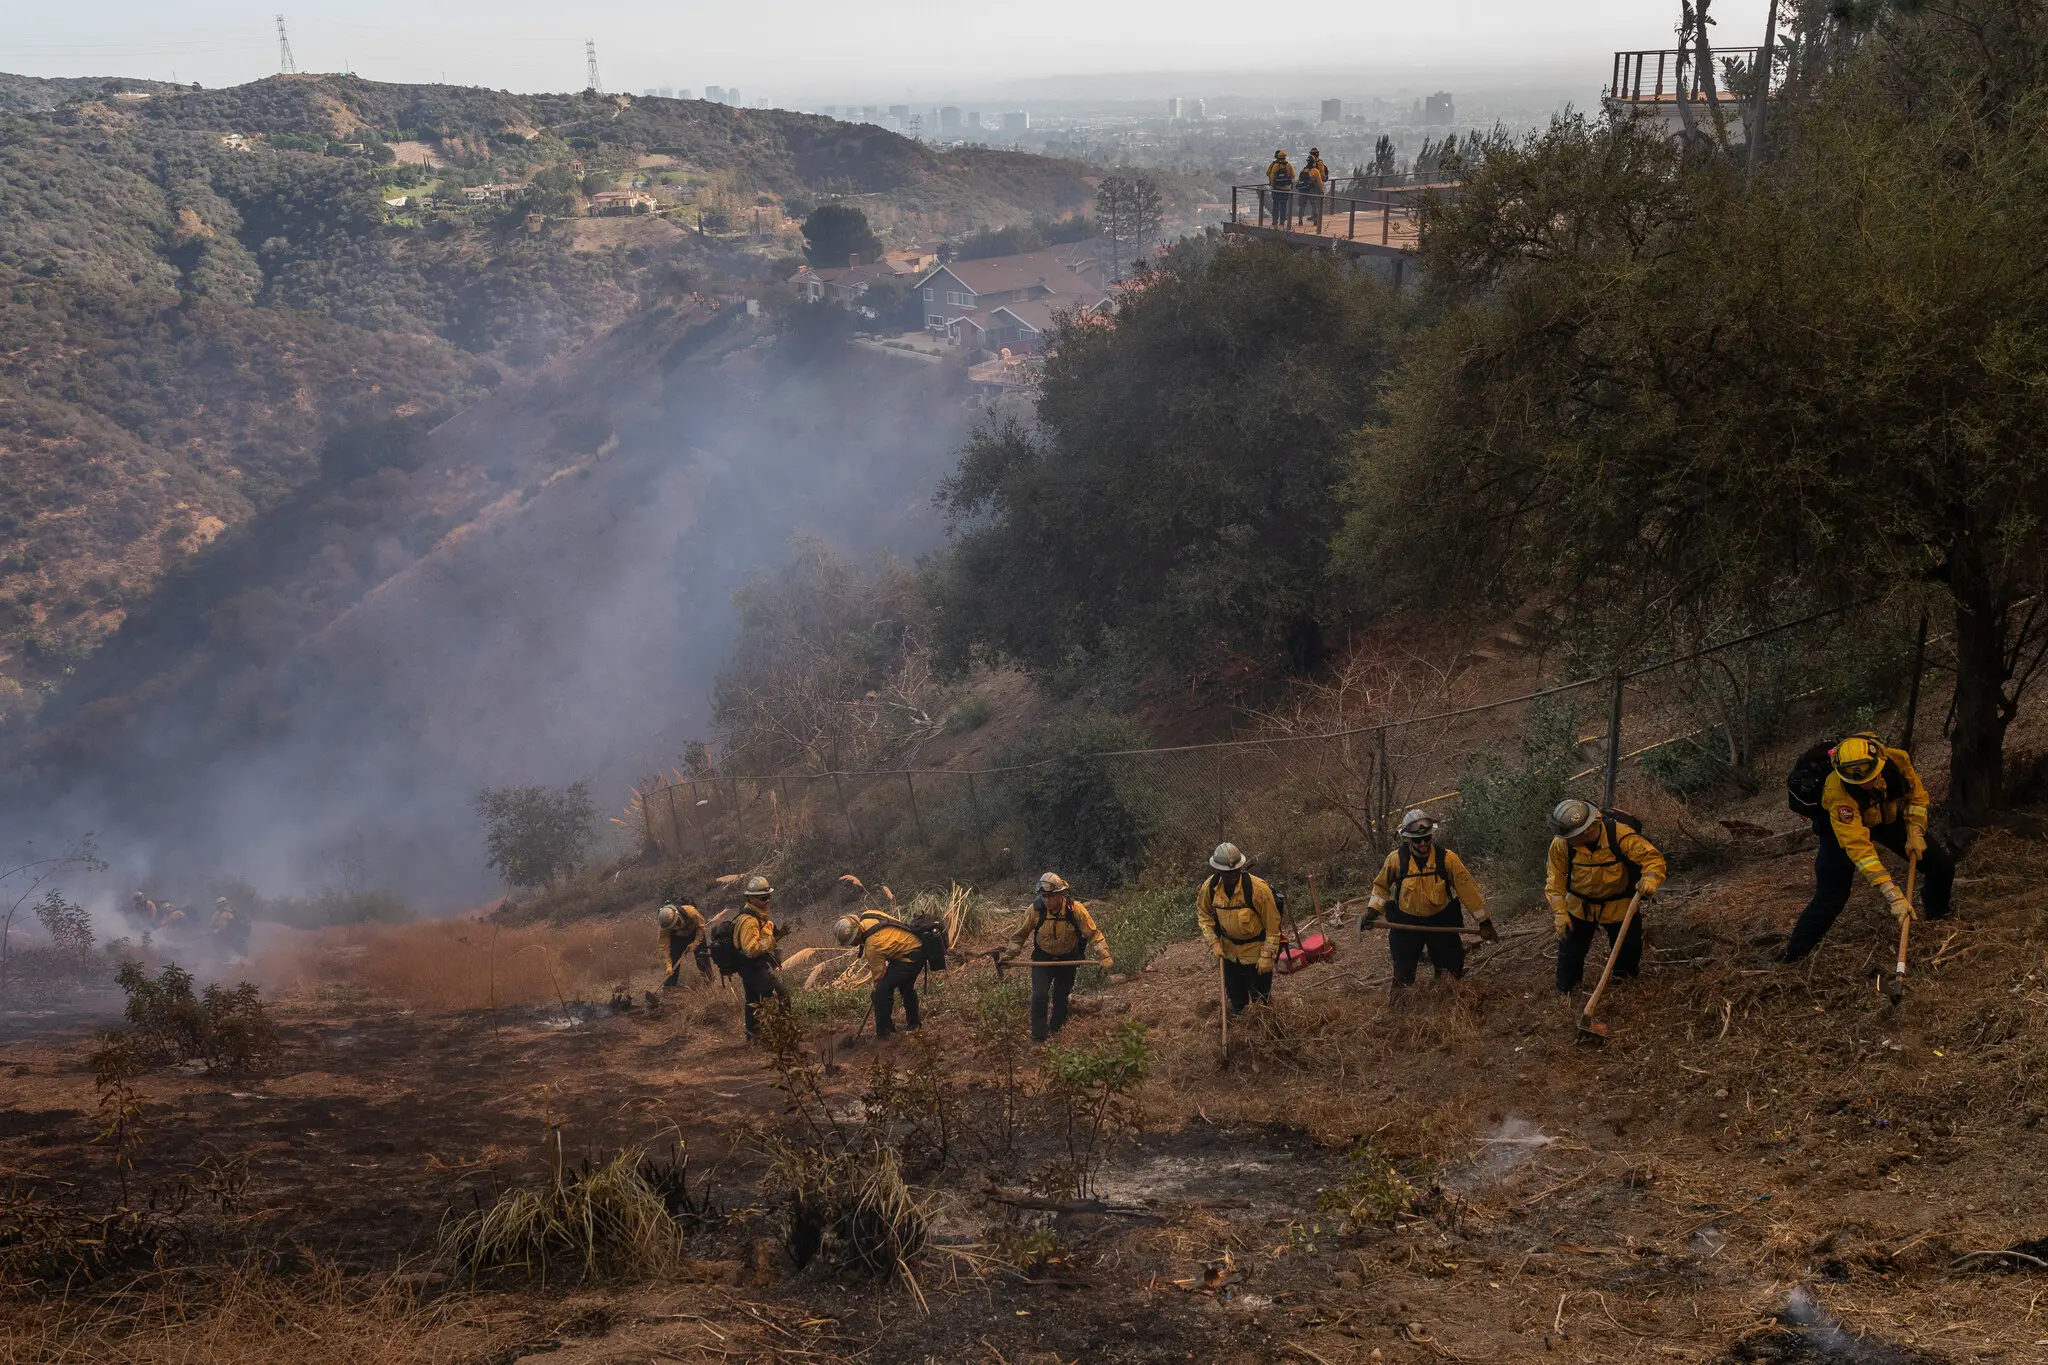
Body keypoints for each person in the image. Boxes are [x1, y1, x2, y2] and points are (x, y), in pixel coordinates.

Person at [1784, 732, 1952, 962]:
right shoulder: (1837, 792)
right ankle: (1792, 957)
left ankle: (1938, 918)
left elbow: (1917, 797)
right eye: (1857, 781)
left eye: (1869, 777)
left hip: (1883, 816)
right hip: (1840, 827)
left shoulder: (1896, 760)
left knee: (1940, 865)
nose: (1865, 784)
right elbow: (1859, 849)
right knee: (1832, 895)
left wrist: (1915, 831)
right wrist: (1892, 894)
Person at [1356, 810, 1496, 994]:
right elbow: (1381, 887)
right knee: (1403, 971)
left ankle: (1445, 998)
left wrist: (1484, 921)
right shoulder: (1396, 860)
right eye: (1417, 840)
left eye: (1427, 838)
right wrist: (1372, 911)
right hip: (1406, 923)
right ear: (1407, 840)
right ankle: (1400, 1005)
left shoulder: (1447, 859)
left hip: (1442, 921)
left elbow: (1469, 891)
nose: (1423, 844)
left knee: (1451, 970)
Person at [1548, 799, 1667, 995]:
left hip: (1619, 906)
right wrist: (1560, 912)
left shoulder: (1620, 836)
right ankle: (1567, 990)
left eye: (1570, 835)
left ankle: (1624, 986)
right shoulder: (1562, 843)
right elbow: (1555, 879)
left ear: (1586, 830)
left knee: (1628, 949)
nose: (1565, 839)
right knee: (1570, 952)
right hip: (1579, 906)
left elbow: (1653, 859)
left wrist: (1650, 880)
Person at [1006, 872, 1112, 1043]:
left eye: (1051, 896)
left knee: (1061, 996)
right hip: (1043, 957)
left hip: (1068, 958)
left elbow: (1093, 934)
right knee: (1039, 995)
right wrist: (1008, 956)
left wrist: (1104, 954)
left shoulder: (1075, 910)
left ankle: (1056, 1030)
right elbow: (1019, 936)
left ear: (1061, 895)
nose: (1047, 900)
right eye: (1044, 896)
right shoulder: (1035, 911)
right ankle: (1039, 1037)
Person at [1197, 842, 1282, 1013]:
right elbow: (1203, 914)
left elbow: (1273, 925)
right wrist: (1213, 941)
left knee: (1261, 1002)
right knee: (1237, 1001)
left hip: (1256, 955)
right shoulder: (1210, 888)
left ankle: (1264, 1035)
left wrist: (1267, 955)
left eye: (1236, 871)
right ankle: (1240, 1033)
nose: (1233, 876)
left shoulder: (1258, 889)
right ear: (1218, 871)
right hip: (1229, 955)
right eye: (1228, 873)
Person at [836, 906, 924, 1037]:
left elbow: (879, 978)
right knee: (906, 988)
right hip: (913, 947)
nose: (853, 944)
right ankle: (914, 1025)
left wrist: (877, 993)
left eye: (853, 940)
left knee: (882, 991)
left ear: (858, 932)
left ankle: (883, 1033)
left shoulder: (873, 946)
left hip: (910, 956)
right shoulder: (868, 915)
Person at [734, 876, 787, 1038]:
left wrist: (775, 938)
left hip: (750, 966)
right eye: (763, 898)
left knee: (753, 1001)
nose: (767, 901)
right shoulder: (749, 920)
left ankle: (753, 1035)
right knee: (782, 995)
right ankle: (784, 1033)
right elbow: (751, 949)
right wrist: (772, 940)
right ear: (751, 898)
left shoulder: (758, 915)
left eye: (768, 897)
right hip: (752, 966)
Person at [658, 899, 707, 989]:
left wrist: (696, 942)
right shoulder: (664, 928)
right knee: (674, 959)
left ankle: (708, 981)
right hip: (678, 938)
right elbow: (664, 947)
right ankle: (670, 986)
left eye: (675, 924)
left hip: (695, 933)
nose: (674, 927)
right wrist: (668, 964)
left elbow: (701, 927)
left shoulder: (690, 911)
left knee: (702, 956)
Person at [1299, 147, 1329, 230]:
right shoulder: (1317, 165)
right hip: (1315, 185)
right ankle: (1315, 218)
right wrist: (1321, 188)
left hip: (1307, 187)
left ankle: (1303, 219)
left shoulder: (1306, 168)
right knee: (1314, 203)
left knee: (1304, 204)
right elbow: (1321, 175)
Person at [1266, 149, 1295, 228]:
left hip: (1277, 189)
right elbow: (1293, 175)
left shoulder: (1275, 165)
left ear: (1278, 157)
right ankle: (1282, 222)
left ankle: (1275, 221)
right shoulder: (1289, 165)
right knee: (1283, 206)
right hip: (1286, 189)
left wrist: (1272, 185)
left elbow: (1271, 176)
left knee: (1275, 205)